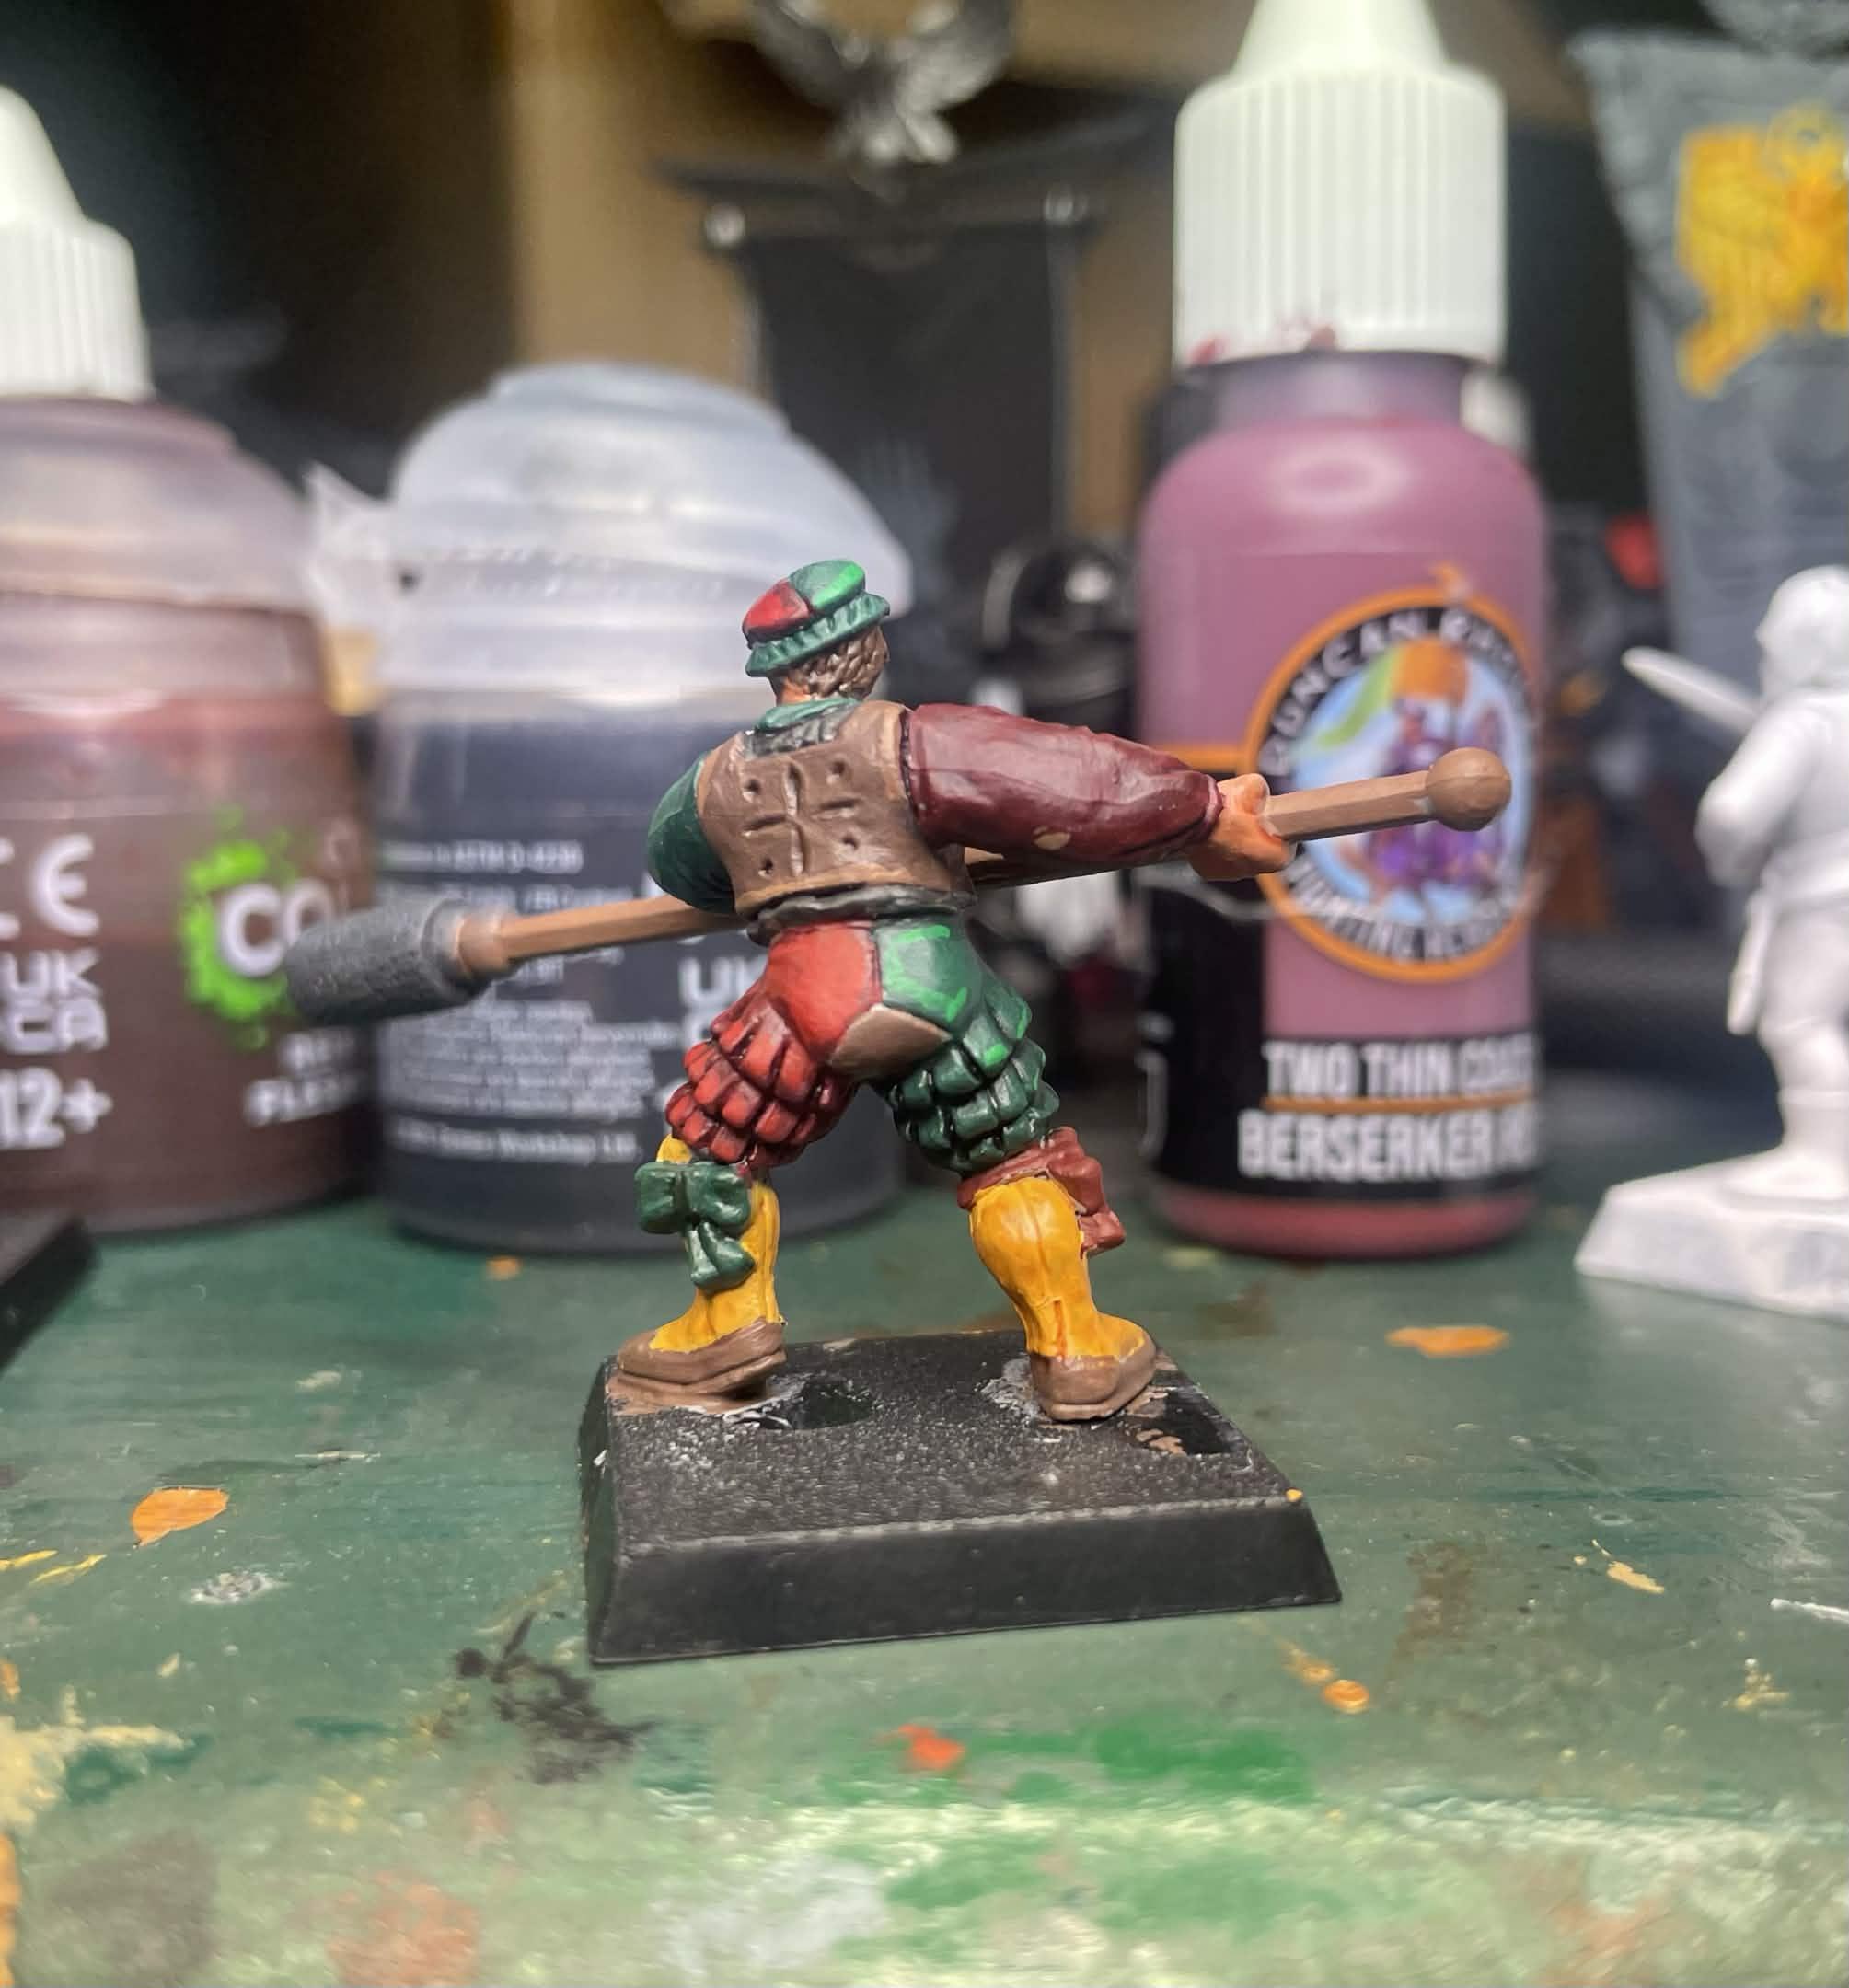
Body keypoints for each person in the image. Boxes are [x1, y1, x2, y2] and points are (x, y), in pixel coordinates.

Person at [620, 558, 1289, 1419]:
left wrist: (773, 877)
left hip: (798, 996)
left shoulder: (712, 779)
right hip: (924, 984)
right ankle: (1075, 1348)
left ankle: (727, 1323)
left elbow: (681, 866)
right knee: (1011, 1159)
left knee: (710, 1146)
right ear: (862, 652)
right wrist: (1203, 812)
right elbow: (1071, 781)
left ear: (776, 672)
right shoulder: (911, 741)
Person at [1695, 564, 1849, 1201]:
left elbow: (1730, 813)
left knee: (1799, 1023)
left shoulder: (1801, 721)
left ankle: (1826, 1157)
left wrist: (1730, 864)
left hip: (1823, 899)